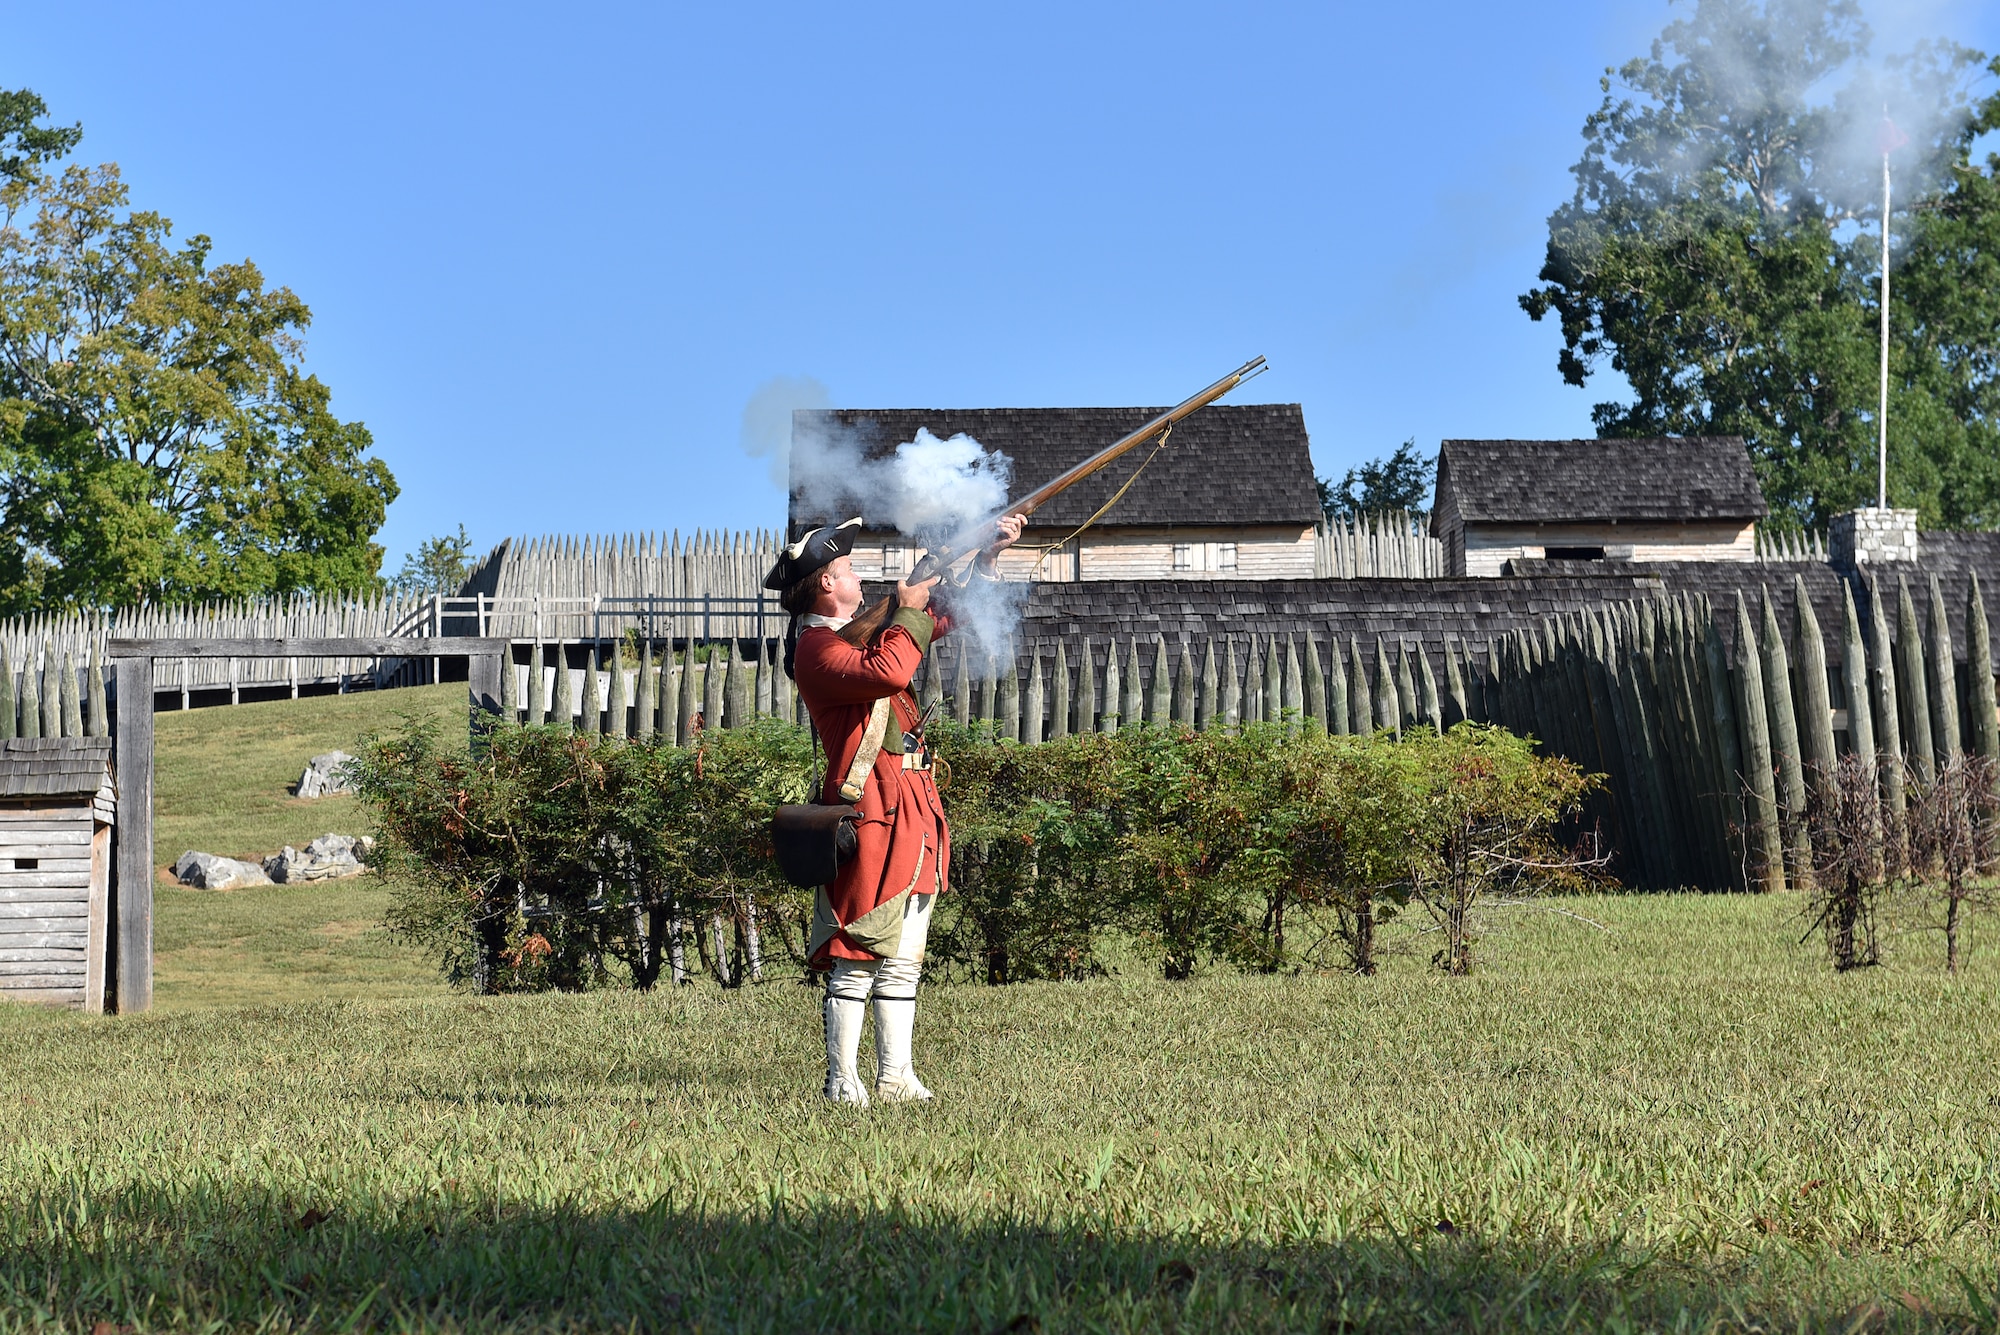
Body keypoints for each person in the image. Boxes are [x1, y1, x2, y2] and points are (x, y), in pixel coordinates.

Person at [765, 513, 1025, 1104]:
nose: (856, 574)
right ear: (826, 583)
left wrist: (984, 558)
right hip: (868, 811)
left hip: (909, 803)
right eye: (847, 567)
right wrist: (909, 601)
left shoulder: (860, 631)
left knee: (905, 956)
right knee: (856, 952)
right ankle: (841, 1081)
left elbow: (946, 619)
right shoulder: (816, 649)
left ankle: (895, 1076)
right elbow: (892, 669)